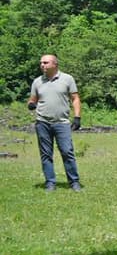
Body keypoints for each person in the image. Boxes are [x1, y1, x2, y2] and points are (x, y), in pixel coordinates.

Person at [28, 54, 83, 192]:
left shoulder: (67, 79)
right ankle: (50, 183)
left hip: (62, 123)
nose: (42, 65)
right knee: (46, 154)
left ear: (55, 64)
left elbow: (75, 98)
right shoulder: (37, 81)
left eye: (45, 63)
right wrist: (31, 104)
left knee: (67, 151)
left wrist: (77, 117)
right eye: (41, 63)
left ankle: (74, 182)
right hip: (42, 122)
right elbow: (32, 99)